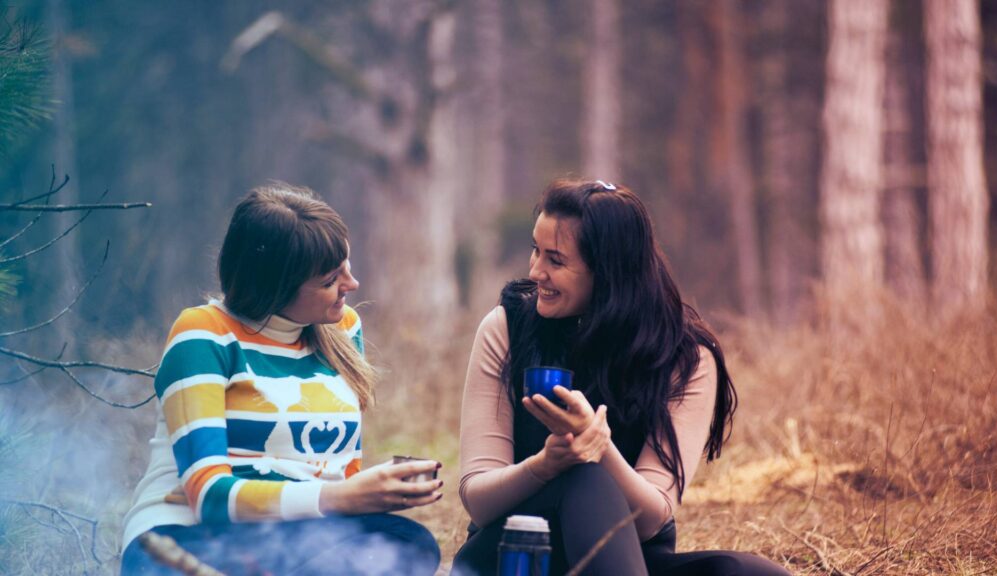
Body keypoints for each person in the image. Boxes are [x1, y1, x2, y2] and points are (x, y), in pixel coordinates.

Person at [453, 179, 790, 575]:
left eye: (555, 260)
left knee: (754, 573)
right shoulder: (507, 329)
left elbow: (651, 518)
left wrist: (599, 447)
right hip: (516, 557)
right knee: (584, 481)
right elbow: (478, 497)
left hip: (626, 561)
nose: (536, 271)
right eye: (535, 251)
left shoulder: (686, 358)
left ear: (609, 273)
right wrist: (546, 464)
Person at [121, 183, 442, 575]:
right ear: (274, 287)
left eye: (347, 266)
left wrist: (371, 495)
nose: (351, 285)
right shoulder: (204, 334)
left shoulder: (342, 330)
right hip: (189, 536)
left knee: (410, 543)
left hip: (301, 536)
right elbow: (210, 498)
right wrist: (341, 497)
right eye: (329, 280)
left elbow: (342, 468)